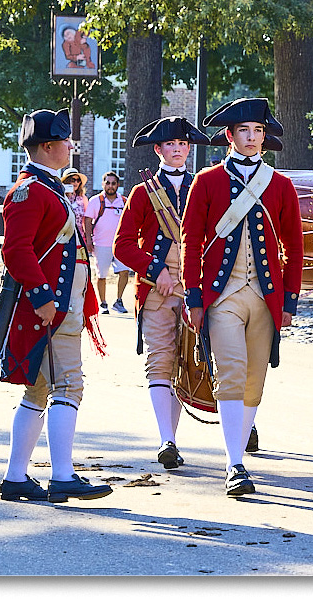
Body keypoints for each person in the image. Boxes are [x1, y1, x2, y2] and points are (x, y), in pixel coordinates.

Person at [182, 97, 304, 497]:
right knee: (231, 372)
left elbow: (294, 246)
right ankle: (234, 463)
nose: (252, 139)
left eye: (258, 131)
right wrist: (194, 296)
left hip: (266, 297)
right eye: (245, 132)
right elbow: (191, 241)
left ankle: (240, 447)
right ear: (230, 136)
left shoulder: (281, 184)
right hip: (223, 296)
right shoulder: (207, 181)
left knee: (255, 380)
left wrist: (289, 301)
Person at [0, 108, 111, 504]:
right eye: (64, 141)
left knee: (38, 391)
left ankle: (16, 477)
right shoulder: (31, 190)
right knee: (68, 385)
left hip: (63, 305)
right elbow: (15, 250)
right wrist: (43, 297)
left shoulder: (48, 187)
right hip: (52, 308)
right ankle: (62, 476)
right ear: (48, 147)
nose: (70, 147)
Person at [114, 116, 211, 471]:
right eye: (171, 145)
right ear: (158, 150)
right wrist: (157, 271)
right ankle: (166, 439)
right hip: (157, 290)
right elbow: (122, 245)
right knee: (161, 360)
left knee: (205, 360)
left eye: (183, 145)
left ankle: (241, 421)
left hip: (198, 285)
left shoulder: (204, 187)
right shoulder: (143, 193)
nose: (178, 150)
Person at [84, 171, 131, 314]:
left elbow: (131, 220)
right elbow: (87, 220)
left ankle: (118, 300)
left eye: (113, 183)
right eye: (108, 183)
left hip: (120, 245)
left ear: (118, 185)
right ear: (103, 184)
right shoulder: (95, 201)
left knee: (124, 271)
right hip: (101, 244)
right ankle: (103, 303)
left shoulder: (124, 201)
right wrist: (89, 240)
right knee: (101, 275)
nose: (110, 186)